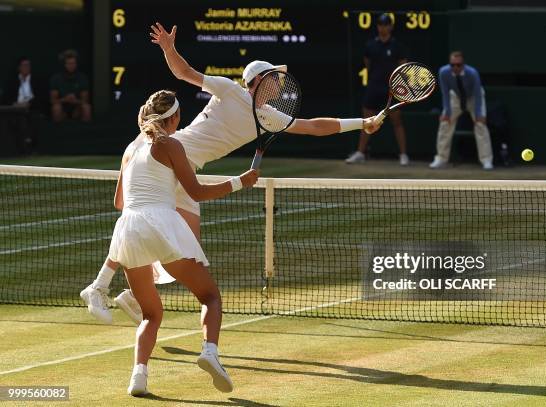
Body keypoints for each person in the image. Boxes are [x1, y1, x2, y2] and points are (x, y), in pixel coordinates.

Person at [79, 22, 383, 325]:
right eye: (275, 77)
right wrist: (169, 49)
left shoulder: (268, 116)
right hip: (170, 154)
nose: (280, 83)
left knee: (185, 248)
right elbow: (185, 73)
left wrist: (362, 122)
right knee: (142, 219)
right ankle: (98, 286)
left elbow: (314, 126)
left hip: (187, 169)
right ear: (259, 79)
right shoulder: (229, 90)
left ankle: (133, 294)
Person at [110, 89, 258, 395]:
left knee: (151, 314)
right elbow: (197, 193)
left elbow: (119, 202)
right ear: (174, 118)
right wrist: (239, 182)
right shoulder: (171, 144)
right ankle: (210, 352)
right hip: (161, 225)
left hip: (128, 230)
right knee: (210, 297)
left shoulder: (129, 149)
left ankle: (138, 376)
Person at [346, 13, 409, 166]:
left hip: (392, 89)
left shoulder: (397, 46)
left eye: (386, 24)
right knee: (366, 121)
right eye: (380, 24)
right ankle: (360, 152)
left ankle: (403, 155)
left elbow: (403, 66)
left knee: (397, 121)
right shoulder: (370, 45)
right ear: (378, 26)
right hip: (374, 87)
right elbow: (367, 64)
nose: (383, 27)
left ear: (391, 27)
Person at [430, 51, 494, 170]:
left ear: (463, 64)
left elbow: (477, 93)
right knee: (445, 123)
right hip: (456, 97)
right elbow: (445, 93)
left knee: (480, 125)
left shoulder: (472, 73)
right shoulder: (444, 72)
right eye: (452, 65)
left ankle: (486, 160)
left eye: (458, 65)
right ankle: (441, 158)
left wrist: (479, 114)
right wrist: (447, 112)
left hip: (474, 98)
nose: (455, 67)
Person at [49, 49, 91, 122]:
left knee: (87, 107)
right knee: (56, 108)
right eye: (69, 63)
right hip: (62, 107)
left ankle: (85, 130)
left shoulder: (82, 78)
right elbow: (53, 100)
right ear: (64, 64)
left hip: (77, 107)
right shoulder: (56, 78)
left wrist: (75, 101)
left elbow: (85, 100)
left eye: (73, 63)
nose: (71, 65)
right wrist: (65, 99)